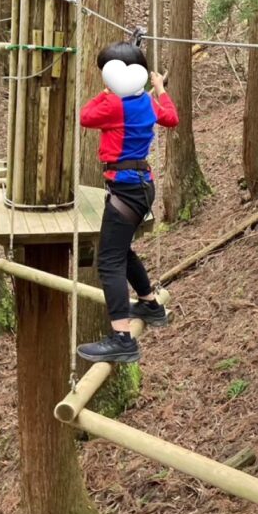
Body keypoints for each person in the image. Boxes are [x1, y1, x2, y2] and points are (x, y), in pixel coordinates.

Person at [76, 41, 179, 363]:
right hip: (139, 187)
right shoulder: (147, 103)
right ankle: (149, 304)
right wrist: (159, 89)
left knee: (108, 262)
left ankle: (122, 338)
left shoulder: (112, 105)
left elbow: (85, 116)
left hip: (126, 190)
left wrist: (108, 91)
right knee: (122, 250)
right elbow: (172, 118)